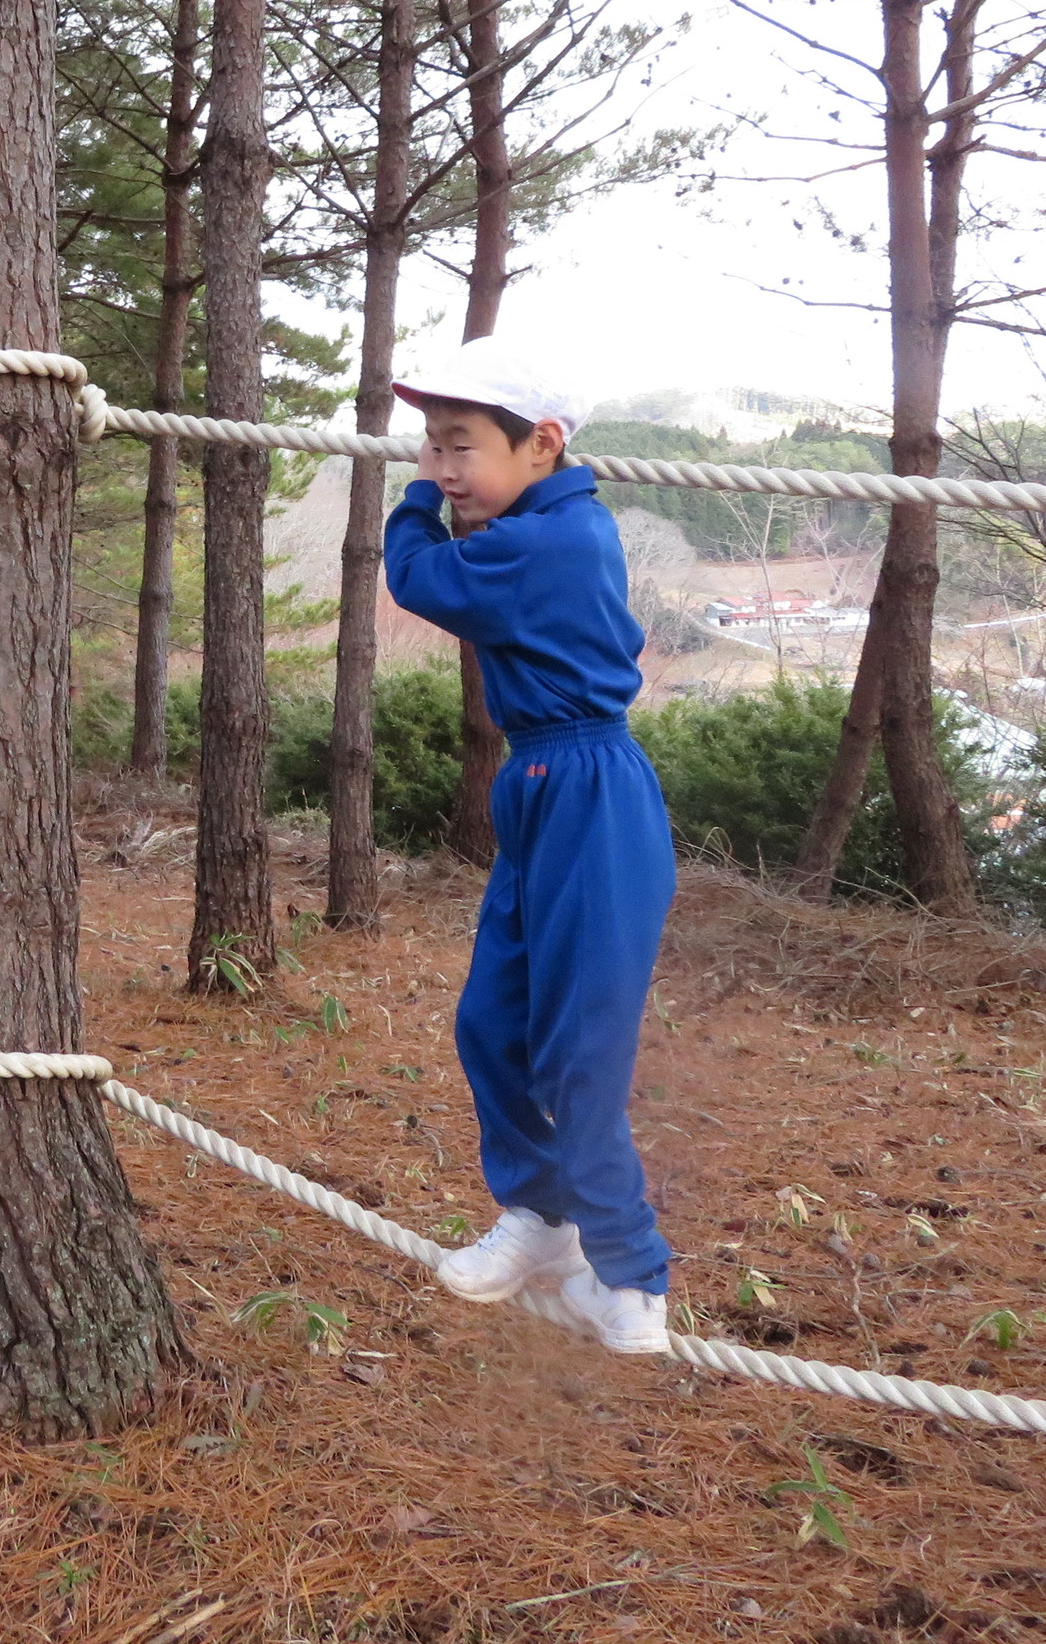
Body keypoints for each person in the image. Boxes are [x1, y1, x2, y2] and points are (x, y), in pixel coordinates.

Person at [382, 339, 678, 1354]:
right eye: (431, 449)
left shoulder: (556, 540)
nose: (442, 470)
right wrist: (444, 485)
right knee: (493, 1022)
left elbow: (419, 578)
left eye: (458, 448)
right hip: (542, 785)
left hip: (593, 795)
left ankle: (631, 1275)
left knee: (577, 1047)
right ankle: (545, 1221)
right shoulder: (540, 521)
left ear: (543, 445)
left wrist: (412, 504)